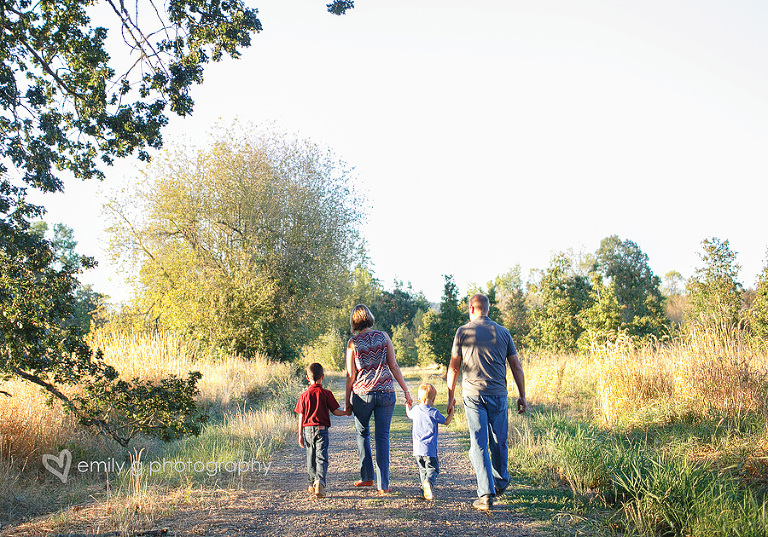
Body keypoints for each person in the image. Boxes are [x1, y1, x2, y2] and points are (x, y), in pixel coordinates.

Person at [446, 293, 527, 511]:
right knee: (499, 439)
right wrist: (522, 395)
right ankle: (500, 482)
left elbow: (454, 367)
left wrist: (450, 395)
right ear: (488, 309)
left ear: (471, 309)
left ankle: (485, 494)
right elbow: (516, 366)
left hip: (473, 395)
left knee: (478, 442)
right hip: (498, 394)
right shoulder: (503, 332)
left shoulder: (463, 332)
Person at [344, 304, 413, 495]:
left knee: (362, 433)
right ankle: (383, 485)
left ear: (354, 321)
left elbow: (351, 375)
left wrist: (347, 400)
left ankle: (367, 477)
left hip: (362, 394)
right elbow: (394, 366)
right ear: (370, 318)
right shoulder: (383, 336)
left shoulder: (353, 342)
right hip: (385, 392)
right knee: (382, 437)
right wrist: (405, 391)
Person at [295, 362, 351, 498]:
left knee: (310, 457)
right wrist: (346, 412)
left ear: (307, 378)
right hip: (322, 429)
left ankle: (311, 483)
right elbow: (335, 412)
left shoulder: (303, 396)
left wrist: (300, 434)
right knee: (321, 456)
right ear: (323, 376)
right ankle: (320, 482)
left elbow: (301, 416)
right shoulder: (326, 394)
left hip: (307, 430)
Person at [405, 383, 454, 500]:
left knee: (422, 469)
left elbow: (408, 414)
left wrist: (408, 405)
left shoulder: (415, 410)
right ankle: (429, 483)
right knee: (433, 468)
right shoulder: (434, 412)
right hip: (429, 448)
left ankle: (424, 489)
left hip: (417, 449)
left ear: (419, 398)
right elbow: (446, 422)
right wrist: (451, 412)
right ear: (434, 399)